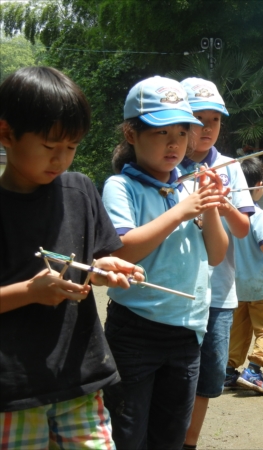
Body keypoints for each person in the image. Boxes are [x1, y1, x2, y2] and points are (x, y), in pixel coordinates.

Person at [0, 67, 144, 448]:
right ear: (6, 134)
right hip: (12, 390)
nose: (61, 159)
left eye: (72, 146)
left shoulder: (79, 190)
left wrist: (101, 270)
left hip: (80, 376)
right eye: (50, 146)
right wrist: (30, 291)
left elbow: (88, 265)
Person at [101, 76, 229, 448]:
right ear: (131, 133)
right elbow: (121, 251)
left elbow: (217, 255)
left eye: (182, 131)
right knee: (127, 435)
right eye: (160, 131)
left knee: (170, 437)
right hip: (137, 331)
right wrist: (181, 212)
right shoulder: (121, 187)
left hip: (188, 333)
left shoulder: (190, 186)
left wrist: (211, 207)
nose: (174, 143)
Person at [178, 78, 254, 450]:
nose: (206, 128)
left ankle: (189, 442)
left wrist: (223, 204)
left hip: (219, 293)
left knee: (208, 377)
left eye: (215, 120)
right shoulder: (168, 164)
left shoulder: (230, 166)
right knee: (175, 372)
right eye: (197, 118)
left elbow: (242, 229)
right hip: (177, 290)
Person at [225, 157, 263, 395]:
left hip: (233, 287)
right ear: (259, 186)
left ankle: (228, 371)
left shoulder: (225, 213)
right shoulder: (257, 213)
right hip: (258, 285)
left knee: (238, 330)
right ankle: (254, 371)